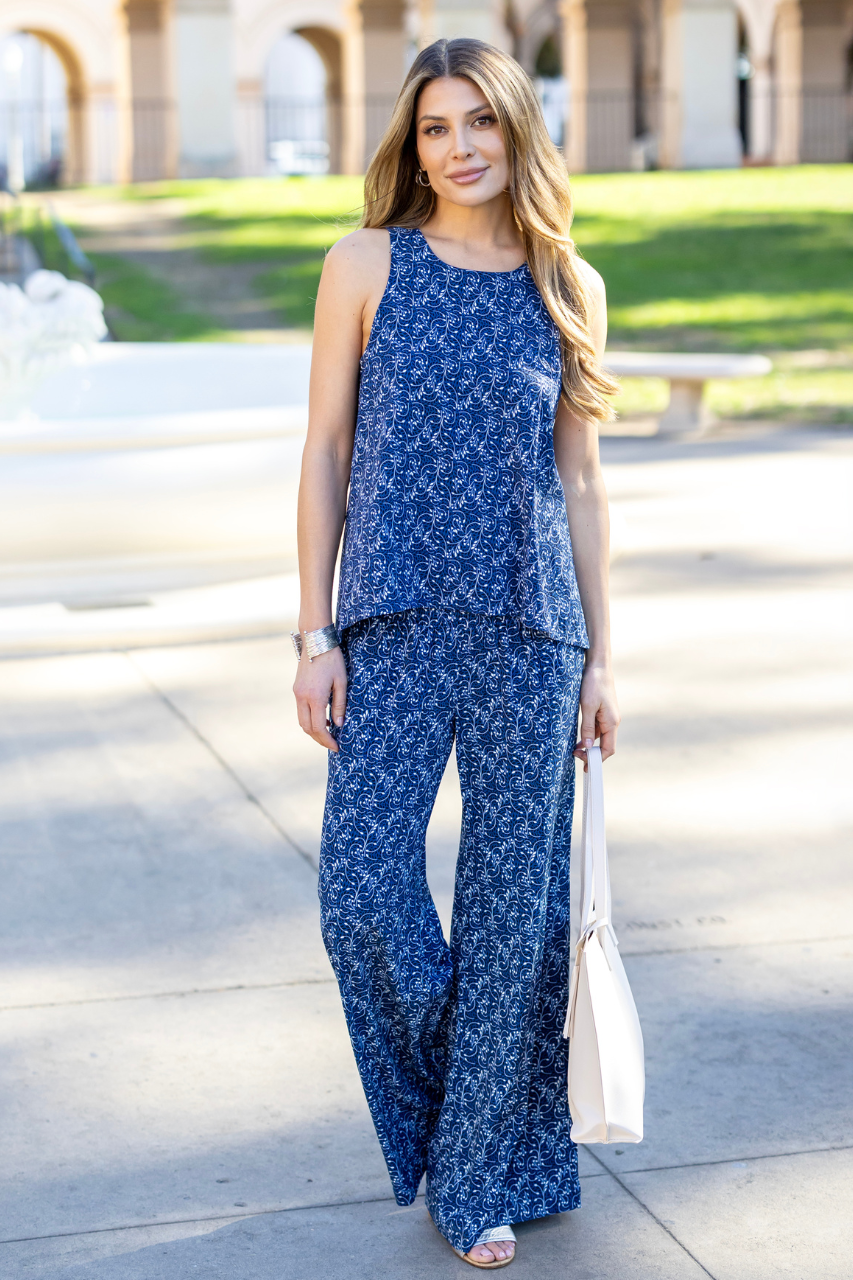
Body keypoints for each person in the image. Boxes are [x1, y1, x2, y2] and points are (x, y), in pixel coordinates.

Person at [293, 36, 620, 1270]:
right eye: (436, 127)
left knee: (514, 918)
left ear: (517, 129)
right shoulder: (364, 262)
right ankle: (474, 1109)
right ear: (410, 143)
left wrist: (601, 658)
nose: (461, 146)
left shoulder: (566, 282)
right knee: (361, 894)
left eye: (480, 121)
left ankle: (477, 1173)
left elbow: (581, 483)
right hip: (389, 620)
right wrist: (314, 629)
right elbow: (324, 451)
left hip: (532, 629)